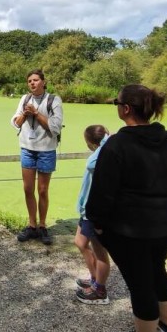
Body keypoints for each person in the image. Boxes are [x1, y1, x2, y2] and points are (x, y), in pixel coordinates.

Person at [86, 84, 167, 332]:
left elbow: (102, 193)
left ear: (126, 109)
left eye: (117, 103)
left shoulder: (118, 145)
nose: (117, 107)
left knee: (140, 281)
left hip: (134, 231)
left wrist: (96, 222)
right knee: (157, 269)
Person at [11, 69, 63, 245]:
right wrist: (25, 114)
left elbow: (55, 127)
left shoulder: (54, 100)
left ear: (43, 82)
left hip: (46, 150)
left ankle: (42, 225)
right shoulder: (24, 99)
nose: (32, 83)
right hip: (27, 148)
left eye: (35, 80)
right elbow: (15, 123)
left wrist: (36, 114)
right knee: (27, 189)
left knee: (42, 190)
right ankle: (32, 226)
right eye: (29, 81)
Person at [74, 124, 112, 305]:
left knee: (100, 252)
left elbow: (91, 165)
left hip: (95, 211)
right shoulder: (102, 153)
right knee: (80, 242)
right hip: (86, 209)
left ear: (91, 142)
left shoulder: (103, 156)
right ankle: (94, 277)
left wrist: (106, 142)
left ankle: (100, 290)